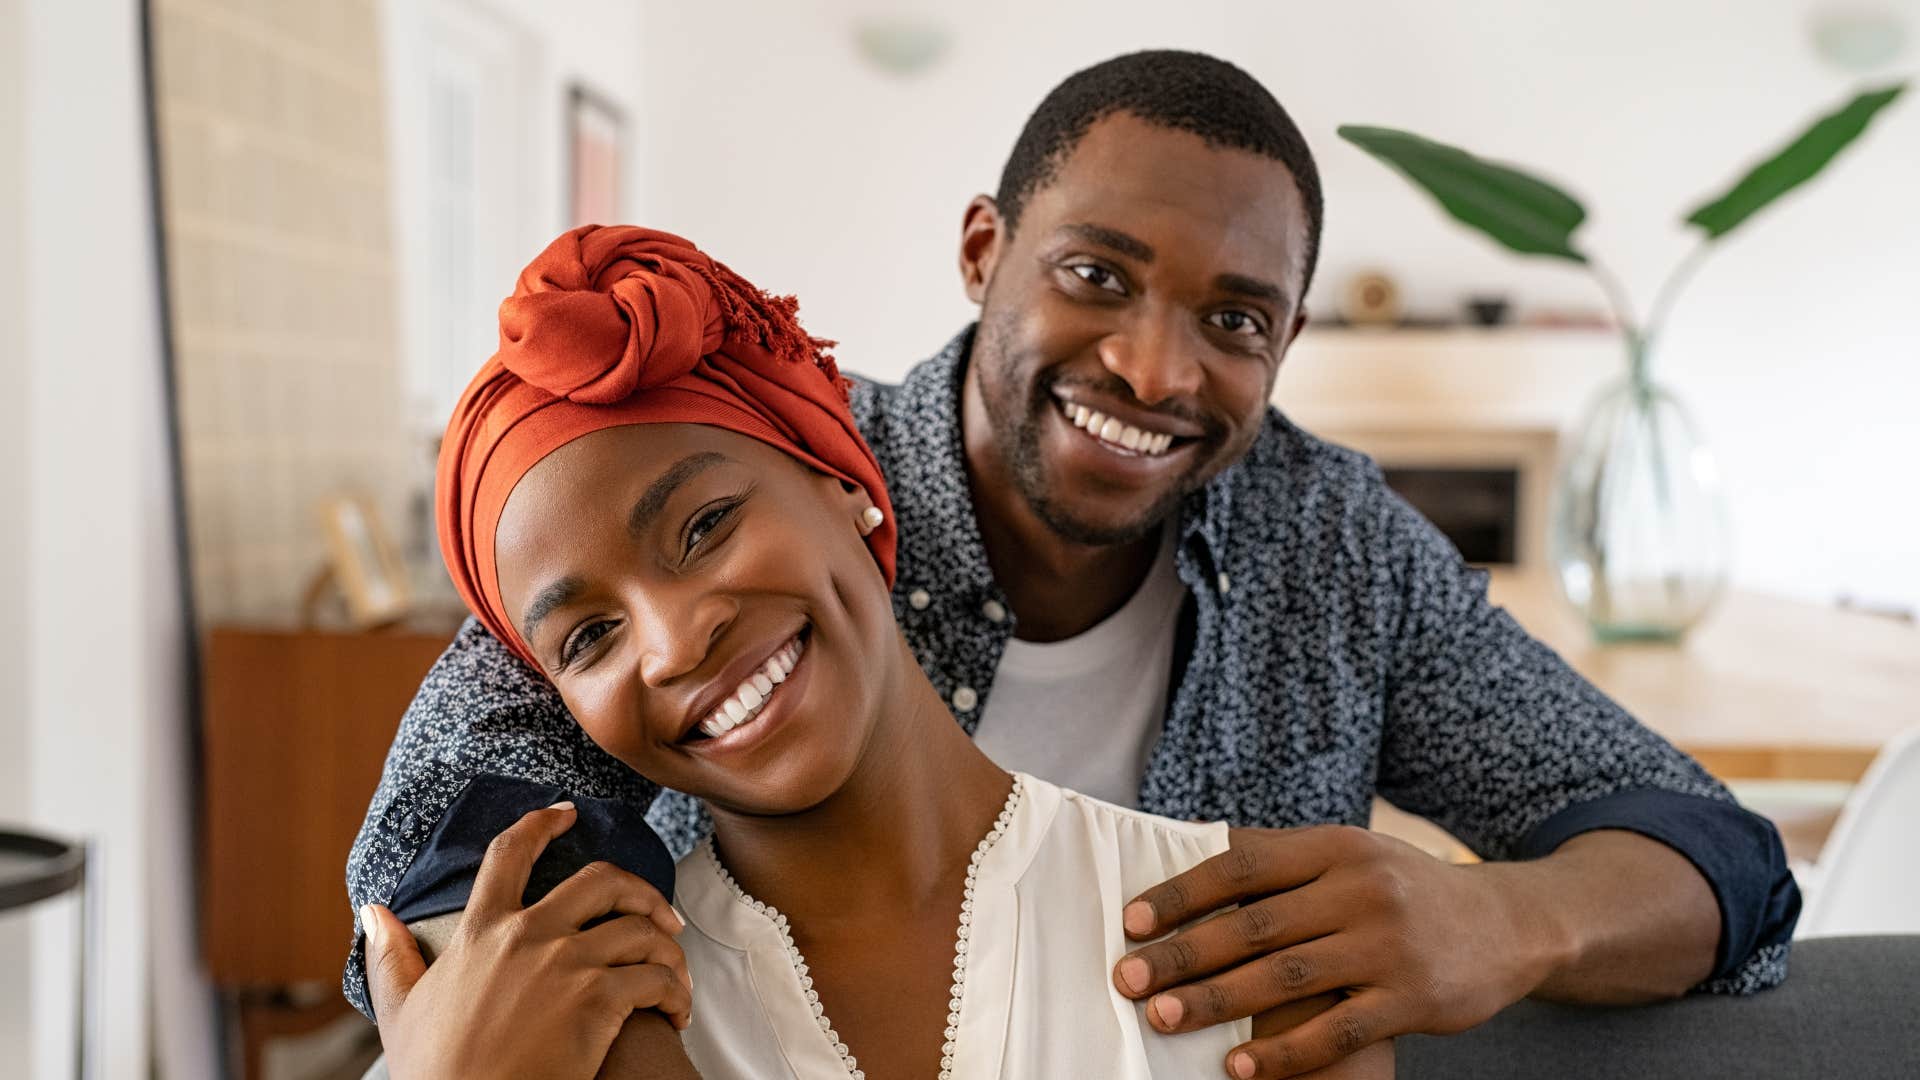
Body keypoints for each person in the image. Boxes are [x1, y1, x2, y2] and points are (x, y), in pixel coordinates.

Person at [348, 50, 1798, 1078]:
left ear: (1286, 346)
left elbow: (1721, 859)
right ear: (985, 252)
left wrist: (1511, 916)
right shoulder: (744, 494)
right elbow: (440, 849)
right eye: (1095, 276)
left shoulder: (1336, 551)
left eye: (1235, 319)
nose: (1156, 367)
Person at [358, 224, 1394, 1079]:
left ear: (845, 481)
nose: (675, 643)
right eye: (589, 635)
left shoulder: (1251, 960)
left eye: (707, 525)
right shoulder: (523, 1028)